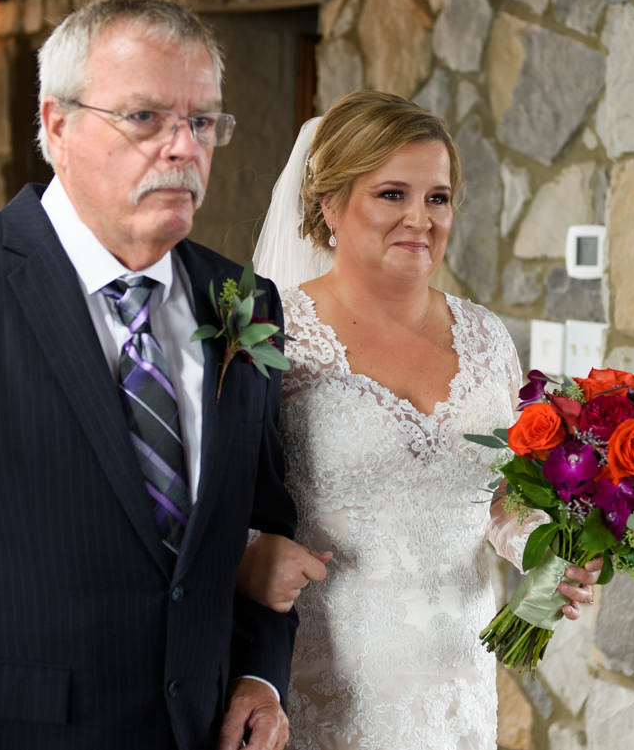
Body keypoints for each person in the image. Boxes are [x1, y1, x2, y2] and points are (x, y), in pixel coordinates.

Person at [0, 0, 298, 750]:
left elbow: (265, 528)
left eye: (203, 122)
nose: (182, 148)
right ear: (58, 123)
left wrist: (260, 672)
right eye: (145, 118)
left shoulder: (243, 299)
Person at [243, 90, 601, 749]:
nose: (420, 218)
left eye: (437, 197)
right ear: (330, 205)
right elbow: (215, 505)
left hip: (456, 688)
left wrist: (545, 545)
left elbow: (496, 495)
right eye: (392, 194)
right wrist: (247, 559)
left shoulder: (487, 336)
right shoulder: (274, 333)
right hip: (325, 689)